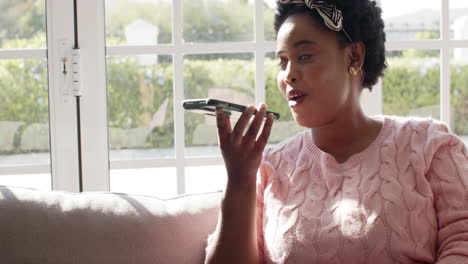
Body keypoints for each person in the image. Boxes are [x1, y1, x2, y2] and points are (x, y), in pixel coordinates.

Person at [204, 0, 468, 263]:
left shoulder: (429, 145)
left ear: (354, 57)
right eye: (282, 61)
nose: (288, 74)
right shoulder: (269, 167)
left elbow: (462, 242)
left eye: (304, 56)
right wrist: (239, 180)